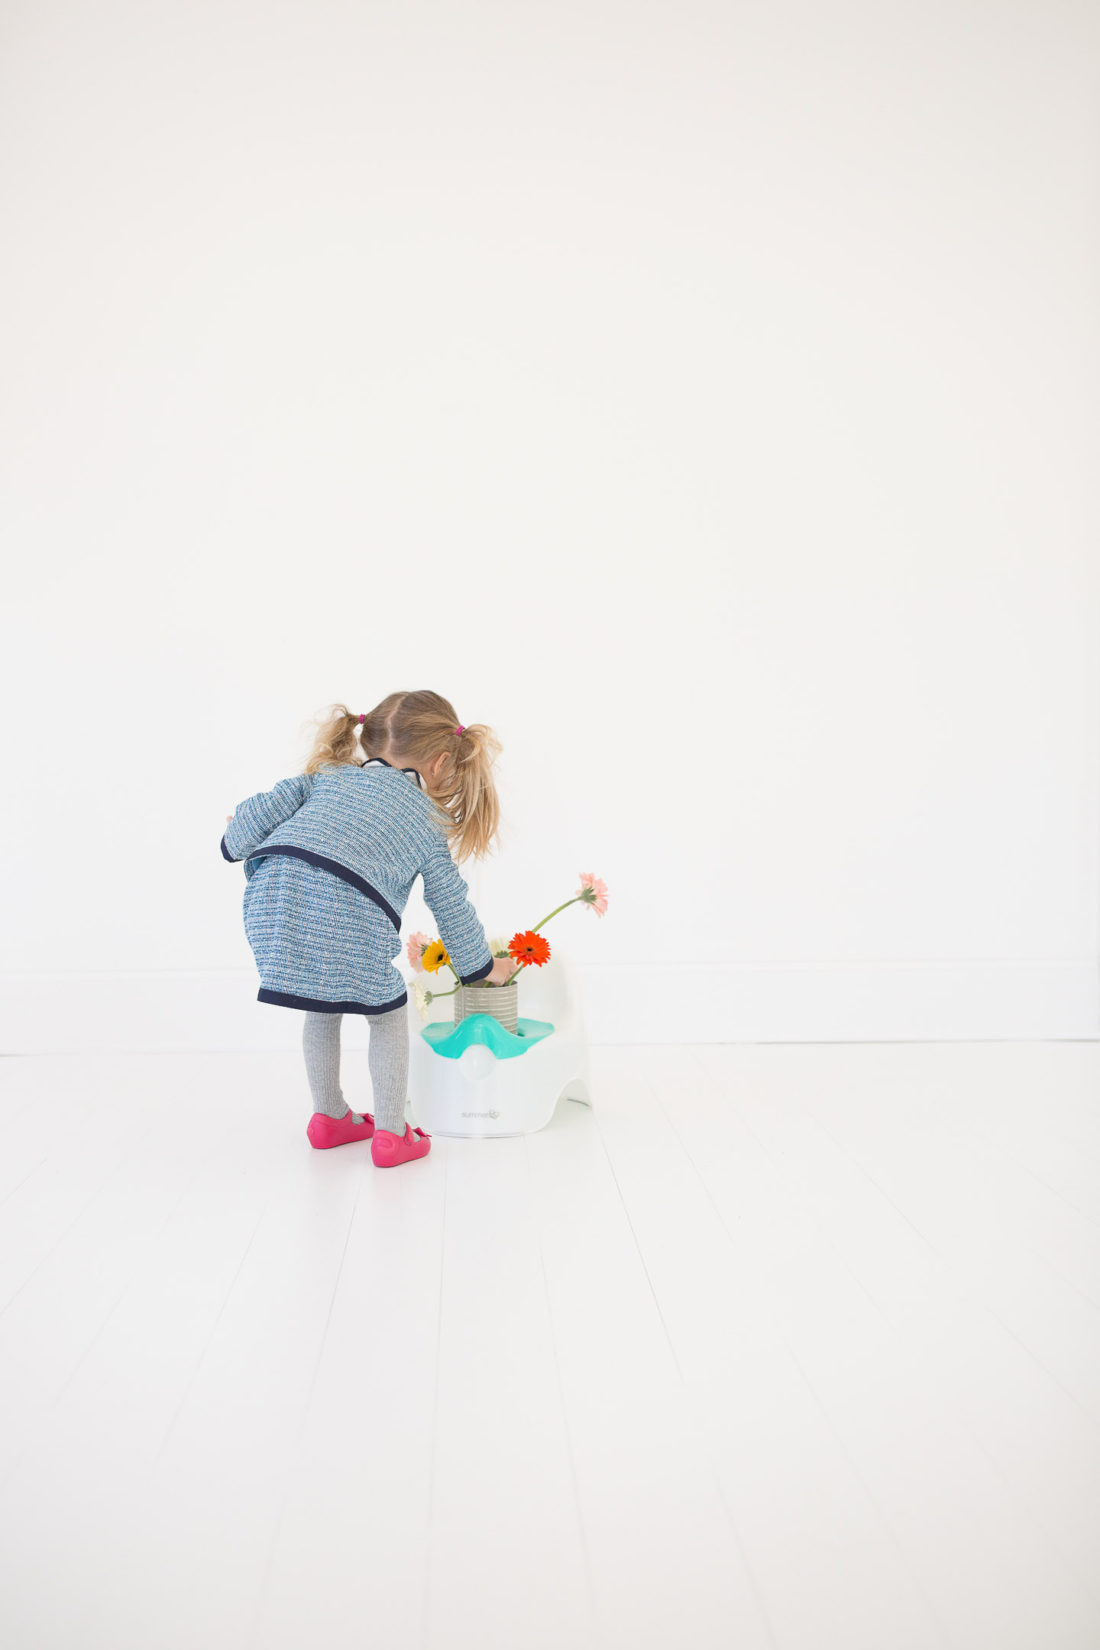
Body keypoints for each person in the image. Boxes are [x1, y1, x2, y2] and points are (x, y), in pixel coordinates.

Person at [220, 692, 515, 1167]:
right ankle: (391, 1134)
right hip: (345, 913)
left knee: (323, 1000)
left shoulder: (326, 777)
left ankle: (329, 1116)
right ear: (442, 762)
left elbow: (250, 822)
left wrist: (233, 839)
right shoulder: (426, 821)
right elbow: (451, 908)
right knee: (386, 1015)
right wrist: (482, 968)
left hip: (270, 899)